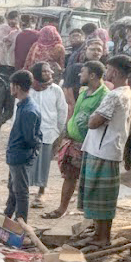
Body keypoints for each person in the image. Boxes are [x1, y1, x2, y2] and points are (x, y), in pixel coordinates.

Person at [79, 55, 131, 247]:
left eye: (109, 69)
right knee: (102, 196)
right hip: (109, 148)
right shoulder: (127, 93)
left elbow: (94, 122)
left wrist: (91, 116)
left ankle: (102, 237)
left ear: (116, 72)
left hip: (102, 150)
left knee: (99, 196)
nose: (106, 72)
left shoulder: (115, 95)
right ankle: (99, 235)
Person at [44, 60, 108, 220]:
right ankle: (62, 209)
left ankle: (90, 217)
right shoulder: (84, 91)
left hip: (88, 145)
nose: (80, 74)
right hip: (74, 142)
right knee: (69, 177)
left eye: (83, 72)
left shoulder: (104, 95)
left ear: (92, 75)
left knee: (87, 180)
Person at [27, 61, 68, 208]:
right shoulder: (29, 90)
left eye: (49, 71)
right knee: (28, 162)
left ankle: (41, 191)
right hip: (30, 132)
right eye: (44, 71)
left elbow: (62, 110)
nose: (48, 73)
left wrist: (59, 130)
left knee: (44, 163)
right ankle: (24, 190)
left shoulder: (55, 90)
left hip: (48, 131)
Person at [4, 71, 42, 223]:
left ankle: (21, 223)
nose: (10, 88)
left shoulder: (28, 110)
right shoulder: (23, 106)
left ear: (17, 87)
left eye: (11, 85)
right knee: (13, 189)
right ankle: (7, 218)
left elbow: (30, 138)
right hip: (15, 155)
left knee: (20, 192)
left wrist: (35, 148)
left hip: (20, 156)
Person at [64, 40, 104, 112]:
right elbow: (67, 88)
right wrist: (74, 107)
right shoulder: (75, 67)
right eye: (92, 49)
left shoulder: (103, 69)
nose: (96, 52)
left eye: (99, 50)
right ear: (86, 50)